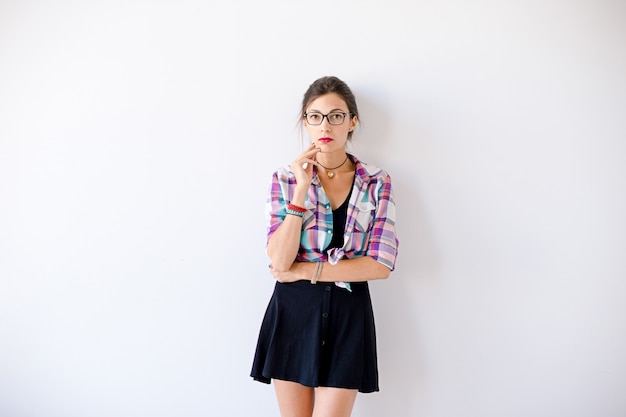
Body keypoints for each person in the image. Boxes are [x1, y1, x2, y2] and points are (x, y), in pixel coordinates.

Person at [250, 76, 399, 417]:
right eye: (315, 116)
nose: (325, 125)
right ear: (306, 122)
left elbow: (379, 265)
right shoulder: (286, 179)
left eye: (336, 115)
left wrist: (306, 269)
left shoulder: (376, 182)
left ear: (352, 122)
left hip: (349, 314)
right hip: (293, 313)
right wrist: (301, 190)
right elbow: (278, 258)